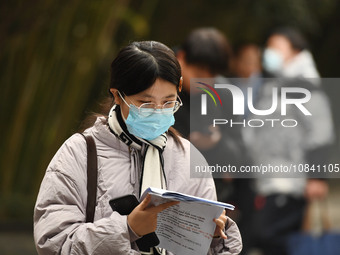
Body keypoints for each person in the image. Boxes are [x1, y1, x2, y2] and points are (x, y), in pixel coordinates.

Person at [33, 41, 242, 255]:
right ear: (117, 95)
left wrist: (214, 238)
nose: (158, 111)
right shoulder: (79, 153)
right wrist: (127, 228)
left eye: (169, 102)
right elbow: (53, 243)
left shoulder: (187, 157)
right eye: (146, 103)